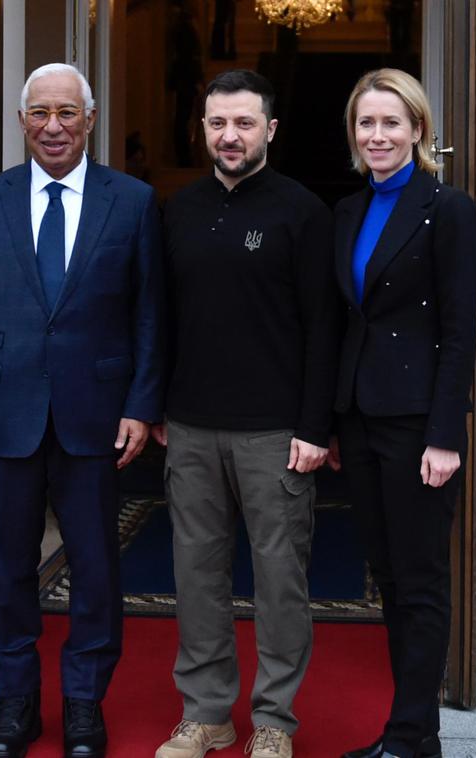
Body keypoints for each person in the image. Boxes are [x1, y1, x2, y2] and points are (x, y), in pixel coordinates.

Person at [0, 62, 164, 758]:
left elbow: (149, 315)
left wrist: (140, 404)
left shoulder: (131, 201)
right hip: (3, 412)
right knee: (8, 567)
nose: (53, 126)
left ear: (91, 121)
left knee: (97, 567)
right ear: (21, 122)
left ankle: (82, 705)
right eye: (39, 112)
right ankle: (14, 705)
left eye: (67, 113)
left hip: (96, 415)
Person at [153, 68, 338, 758]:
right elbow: (161, 317)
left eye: (244, 123)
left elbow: (325, 327)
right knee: (196, 575)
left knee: (280, 582)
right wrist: (160, 405)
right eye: (217, 124)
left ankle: (274, 721)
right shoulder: (177, 208)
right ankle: (207, 714)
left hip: (276, 432)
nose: (230, 137)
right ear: (202, 128)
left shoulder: (301, 211)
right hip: (192, 425)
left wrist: (315, 428)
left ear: (270, 130)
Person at [332, 69, 476, 758]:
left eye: (391, 123)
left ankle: (410, 734)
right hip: (363, 419)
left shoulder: (447, 208)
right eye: (367, 124)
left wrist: (447, 433)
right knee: (388, 578)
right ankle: (415, 734)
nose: (378, 135)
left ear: (417, 130)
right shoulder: (348, 211)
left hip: (421, 423)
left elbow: (459, 330)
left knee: (420, 581)